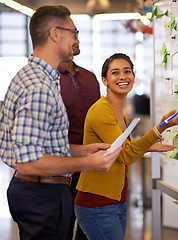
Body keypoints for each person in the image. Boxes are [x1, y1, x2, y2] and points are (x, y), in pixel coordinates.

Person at [0, 6, 122, 240]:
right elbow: (28, 162)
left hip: (41, 191)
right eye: (74, 33)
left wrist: (81, 151)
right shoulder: (38, 87)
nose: (77, 39)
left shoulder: (38, 77)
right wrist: (88, 163)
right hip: (41, 194)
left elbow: (41, 146)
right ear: (55, 34)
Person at [74, 53, 178, 240]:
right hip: (98, 204)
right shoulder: (102, 111)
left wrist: (148, 146)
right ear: (105, 80)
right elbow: (125, 155)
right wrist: (161, 127)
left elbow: (117, 148)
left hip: (115, 200)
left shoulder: (120, 114)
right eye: (115, 73)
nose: (123, 76)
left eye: (127, 71)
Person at [58, 43, 100, 240]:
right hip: (61, 175)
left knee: (87, 232)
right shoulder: (48, 79)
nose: (77, 40)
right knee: (62, 231)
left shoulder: (90, 78)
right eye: (73, 34)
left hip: (92, 173)